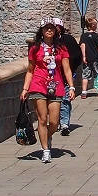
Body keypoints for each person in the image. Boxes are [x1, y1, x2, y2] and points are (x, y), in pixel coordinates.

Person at [20, 18, 76, 163]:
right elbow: (30, 70)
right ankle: (45, 150)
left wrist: (71, 86)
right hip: (38, 84)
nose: (49, 30)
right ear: (42, 31)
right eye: (46, 28)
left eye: (51, 28)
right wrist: (25, 88)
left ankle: (47, 135)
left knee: (55, 121)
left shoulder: (61, 48)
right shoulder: (35, 48)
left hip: (56, 85)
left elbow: (67, 69)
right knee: (42, 118)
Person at [54, 18, 83, 136]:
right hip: (51, 77)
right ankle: (55, 122)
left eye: (56, 27)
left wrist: (71, 69)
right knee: (53, 100)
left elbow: (77, 56)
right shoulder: (47, 42)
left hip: (66, 75)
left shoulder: (68, 40)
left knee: (65, 100)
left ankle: (64, 124)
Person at [79, 15, 98, 97]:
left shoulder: (84, 36)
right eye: (96, 24)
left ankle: (84, 92)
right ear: (93, 25)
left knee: (85, 75)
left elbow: (82, 46)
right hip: (96, 58)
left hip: (87, 58)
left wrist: (84, 56)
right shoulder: (97, 36)